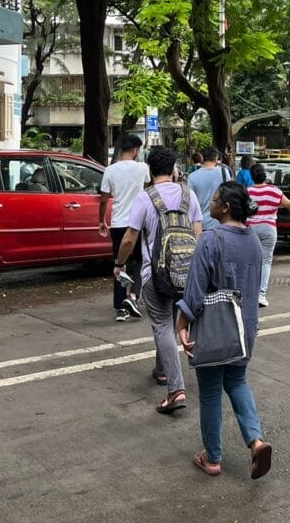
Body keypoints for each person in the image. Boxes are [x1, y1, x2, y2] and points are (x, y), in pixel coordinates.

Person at [176, 182, 273, 479]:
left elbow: (195, 288)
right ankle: (256, 441)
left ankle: (213, 457)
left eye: (215, 199)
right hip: (245, 329)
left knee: (209, 393)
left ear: (226, 207)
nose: (211, 204)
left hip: (214, 329)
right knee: (238, 382)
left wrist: (182, 322)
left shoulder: (210, 239)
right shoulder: (254, 241)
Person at [115, 146, 203, 413]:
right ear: (174, 169)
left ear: (150, 170)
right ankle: (162, 370)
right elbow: (199, 234)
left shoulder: (145, 198)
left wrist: (119, 264)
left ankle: (176, 390)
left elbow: (130, 237)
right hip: (186, 274)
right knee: (172, 321)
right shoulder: (189, 195)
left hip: (154, 274)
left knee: (163, 326)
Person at [247, 163, 290, 307]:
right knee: (266, 261)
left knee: (250, 261)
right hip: (269, 229)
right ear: (265, 176)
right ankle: (261, 295)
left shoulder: (247, 192)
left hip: (250, 229)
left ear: (252, 176)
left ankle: (248, 293)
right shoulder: (274, 190)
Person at [99, 135, 151, 323]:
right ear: (136, 150)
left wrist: (101, 221)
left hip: (118, 222)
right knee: (139, 261)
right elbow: (145, 189)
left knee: (119, 263)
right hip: (138, 222)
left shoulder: (110, 170)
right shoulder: (143, 168)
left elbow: (104, 198)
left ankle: (121, 307)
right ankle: (133, 297)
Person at [187, 147, 232, 231]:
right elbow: (230, 194)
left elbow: (191, 202)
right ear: (216, 158)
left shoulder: (192, 177)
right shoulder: (224, 173)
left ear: (202, 158)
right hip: (222, 221)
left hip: (201, 224)